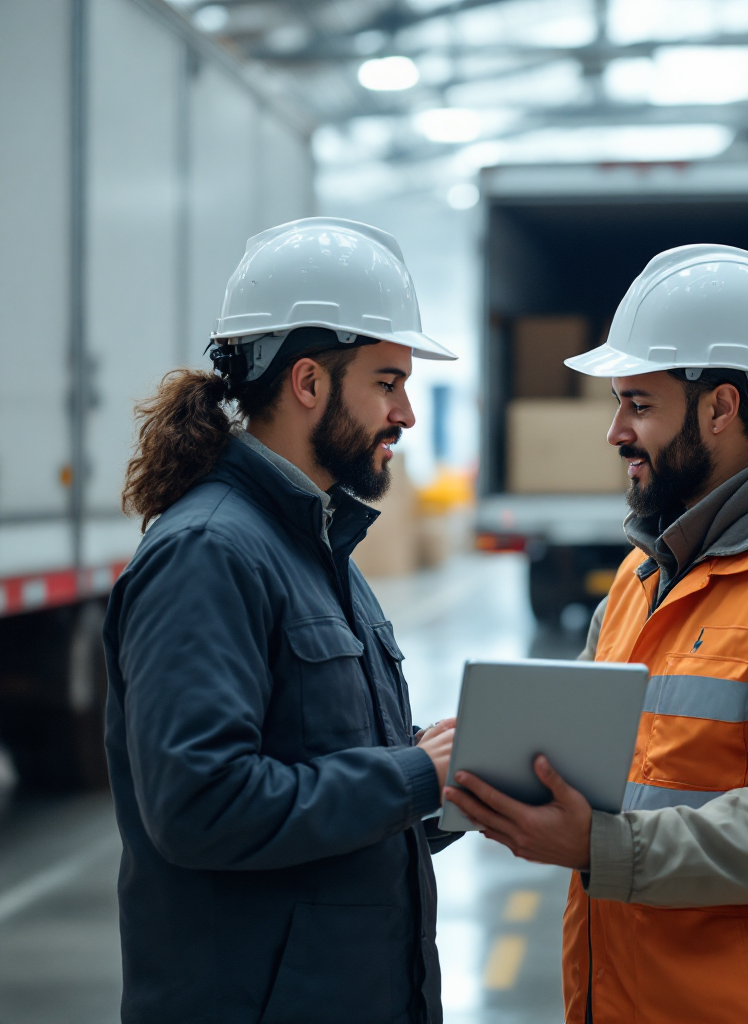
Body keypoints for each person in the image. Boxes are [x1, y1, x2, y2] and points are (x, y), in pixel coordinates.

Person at [445, 244, 748, 1024]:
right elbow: (587, 758)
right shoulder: (648, 575)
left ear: (720, 409)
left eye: (637, 403)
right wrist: (467, 770)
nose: (614, 432)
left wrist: (604, 849)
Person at [105, 218, 460, 1024]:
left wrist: (448, 790)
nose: (405, 411)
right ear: (308, 383)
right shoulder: (210, 553)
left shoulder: (315, 545)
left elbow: (315, 782)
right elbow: (201, 805)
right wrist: (411, 775)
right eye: (387, 381)